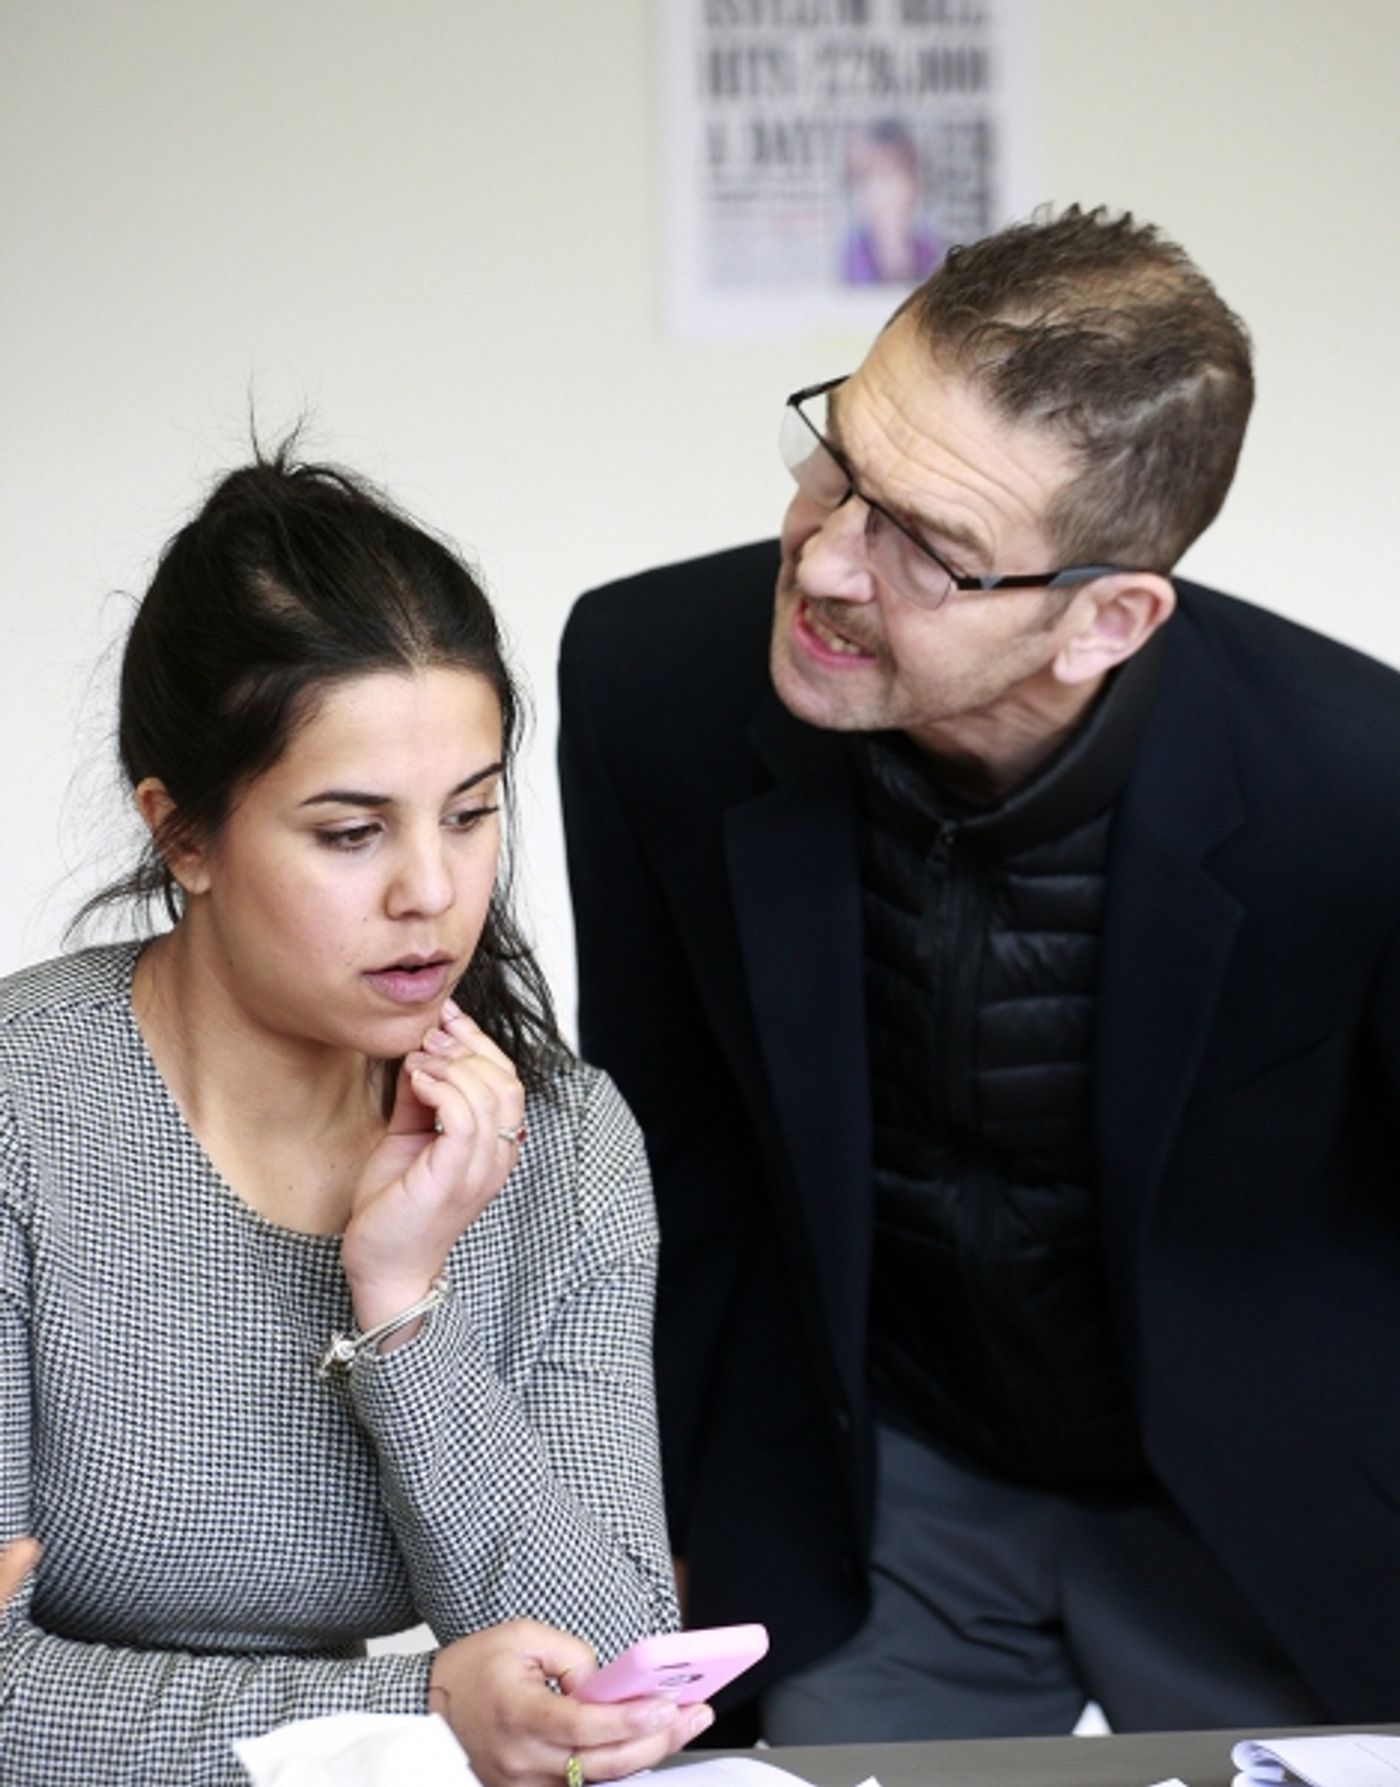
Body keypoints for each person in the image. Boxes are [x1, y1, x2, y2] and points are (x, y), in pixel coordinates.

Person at [558, 204, 1400, 1743]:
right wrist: (649, 1520)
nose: (819, 559)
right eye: (841, 460)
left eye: (928, 549)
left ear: (1108, 619)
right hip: (880, 1484)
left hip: (1258, 1502)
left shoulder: (1363, 789)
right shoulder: (650, 681)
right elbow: (665, 1150)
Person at [0, 450, 711, 1785]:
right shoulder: (20, 1114)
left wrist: (404, 1307)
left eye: (472, 814)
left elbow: (606, 1685)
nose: (434, 894)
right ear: (184, 836)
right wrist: (418, 1719)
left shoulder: (560, 1144)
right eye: (350, 833)